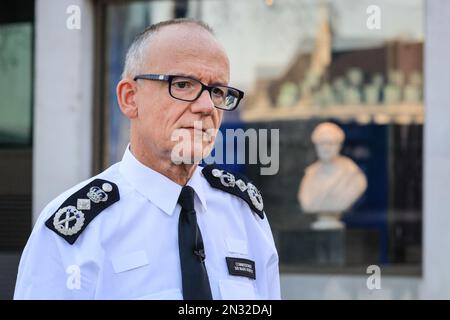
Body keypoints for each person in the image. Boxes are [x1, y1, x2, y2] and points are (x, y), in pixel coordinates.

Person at [14, 19, 280, 300]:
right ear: (130, 98)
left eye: (217, 91)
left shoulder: (242, 214)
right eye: (183, 84)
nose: (206, 107)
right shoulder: (77, 228)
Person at [298, 122, 367, 229]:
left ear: (339, 145)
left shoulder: (352, 174)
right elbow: (306, 203)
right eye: (322, 143)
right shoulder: (309, 175)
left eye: (331, 143)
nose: (326, 148)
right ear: (315, 145)